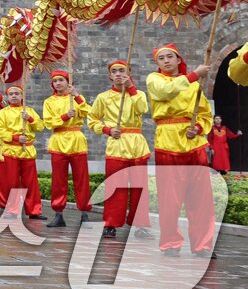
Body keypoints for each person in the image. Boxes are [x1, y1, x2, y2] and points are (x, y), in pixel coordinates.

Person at [146, 44, 215, 256]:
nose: (166, 61)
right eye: (161, 58)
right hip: (167, 140)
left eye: (170, 57)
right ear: (157, 64)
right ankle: (170, 243)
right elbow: (166, 92)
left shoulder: (196, 86)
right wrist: (194, 74)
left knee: (202, 197)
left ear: (178, 60)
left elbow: (205, 114)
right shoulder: (154, 80)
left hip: (194, 144)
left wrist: (199, 127)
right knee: (169, 198)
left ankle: (202, 244)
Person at [89, 60, 150, 238]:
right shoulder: (103, 97)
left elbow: (142, 109)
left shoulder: (138, 94)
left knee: (140, 186)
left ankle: (140, 225)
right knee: (115, 186)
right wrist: (107, 130)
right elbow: (92, 119)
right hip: (116, 143)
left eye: (122, 71)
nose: (118, 74)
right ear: (110, 76)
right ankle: (111, 223)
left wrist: (131, 88)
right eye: (114, 71)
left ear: (129, 73)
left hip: (137, 143)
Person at [42, 69, 92, 227]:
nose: (58, 83)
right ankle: (58, 213)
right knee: (58, 180)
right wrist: (64, 117)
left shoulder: (76, 98)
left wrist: (77, 96)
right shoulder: (49, 101)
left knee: (81, 179)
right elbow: (48, 122)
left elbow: (89, 113)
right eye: (55, 81)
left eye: (61, 80)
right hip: (58, 140)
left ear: (68, 82)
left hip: (76, 139)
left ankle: (84, 212)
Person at [0, 85, 45, 220]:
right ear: (8, 97)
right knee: (12, 181)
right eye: (11, 94)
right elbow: (0, 131)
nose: (14, 96)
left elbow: (40, 126)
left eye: (17, 93)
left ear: (22, 95)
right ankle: (12, 210)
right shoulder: (3, 113)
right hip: (11, 149)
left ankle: (34, 210)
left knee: (31, 181)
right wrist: (16, 137)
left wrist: (30, 119)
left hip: (27, 150)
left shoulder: (29, 110)